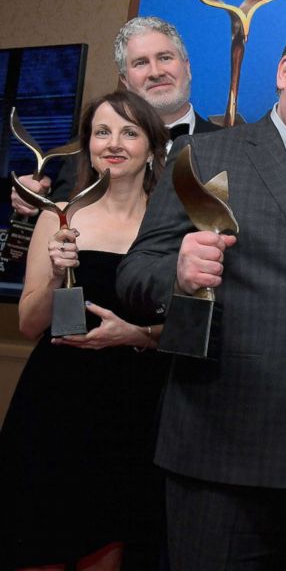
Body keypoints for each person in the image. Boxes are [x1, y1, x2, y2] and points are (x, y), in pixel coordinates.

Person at [116, 17, 286, 567]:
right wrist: (179, 273)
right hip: (224, 454)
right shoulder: (208, 156)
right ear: (284, 72)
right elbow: (136, 274)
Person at [0, 91, 169, 570]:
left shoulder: (169, 225)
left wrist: (138, 335)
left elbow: (188, 324)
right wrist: (55, 273)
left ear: (153, 147)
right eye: (102, 132)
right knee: (39, 545)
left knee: (111, 548)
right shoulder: (59, 216)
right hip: (55, 405)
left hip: (131, 408)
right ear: (88, 146)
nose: (114, 143)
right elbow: (30, 323)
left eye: (129, 132)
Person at [10, 15, 222, 212]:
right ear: (125, 81)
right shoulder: (86, 149)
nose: (156, 72)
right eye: (141, 63)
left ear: (187, 68)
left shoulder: (232, 145)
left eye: (165, 58)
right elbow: (61, 221)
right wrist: (34, 203)